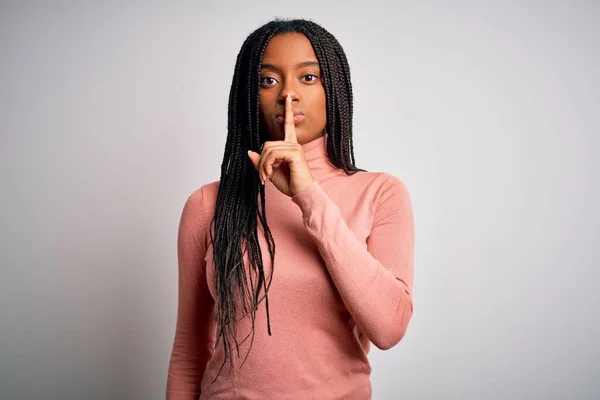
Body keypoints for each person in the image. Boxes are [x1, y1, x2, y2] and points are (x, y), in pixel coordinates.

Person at [166, 18, 414, 400]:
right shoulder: (208, 204)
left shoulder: (380, 193)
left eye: (308, 78)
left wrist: (308, 194)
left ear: (334, 88)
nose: (288, 95)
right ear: (249, 94)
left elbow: (389, 328)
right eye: (268, 80)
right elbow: (189, 350)